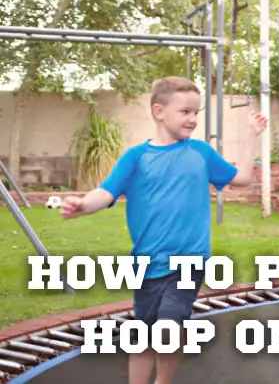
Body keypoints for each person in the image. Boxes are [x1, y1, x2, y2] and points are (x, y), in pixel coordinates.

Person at [59, 76, 267, 384]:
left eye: (196, 112)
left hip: (188, 261)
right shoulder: (136, 157)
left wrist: (251, 135)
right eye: (185, 112)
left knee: (169, 326)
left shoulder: (201, 153)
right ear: (159, 111)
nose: (193, 119)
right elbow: (105, 193)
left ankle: (163, 381)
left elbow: (243, 178)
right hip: (147, 263)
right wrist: (82, 205)